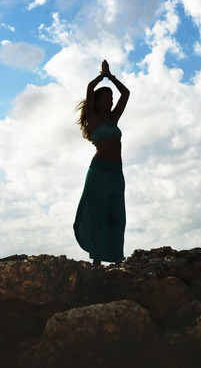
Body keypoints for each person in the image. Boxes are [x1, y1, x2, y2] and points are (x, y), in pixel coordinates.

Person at [74, 60, 130, 266]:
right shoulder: (94, 119)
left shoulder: (113, 120)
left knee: (117, 216)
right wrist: (101, 76)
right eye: (105, 98)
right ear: (97, 102)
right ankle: (97, 262)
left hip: (116, 173)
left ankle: (117, 260)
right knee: (98, 215)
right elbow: (90, 89)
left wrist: (112, 77)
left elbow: (126, 94)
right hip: (99, 172)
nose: (110, 101)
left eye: (111, 98)